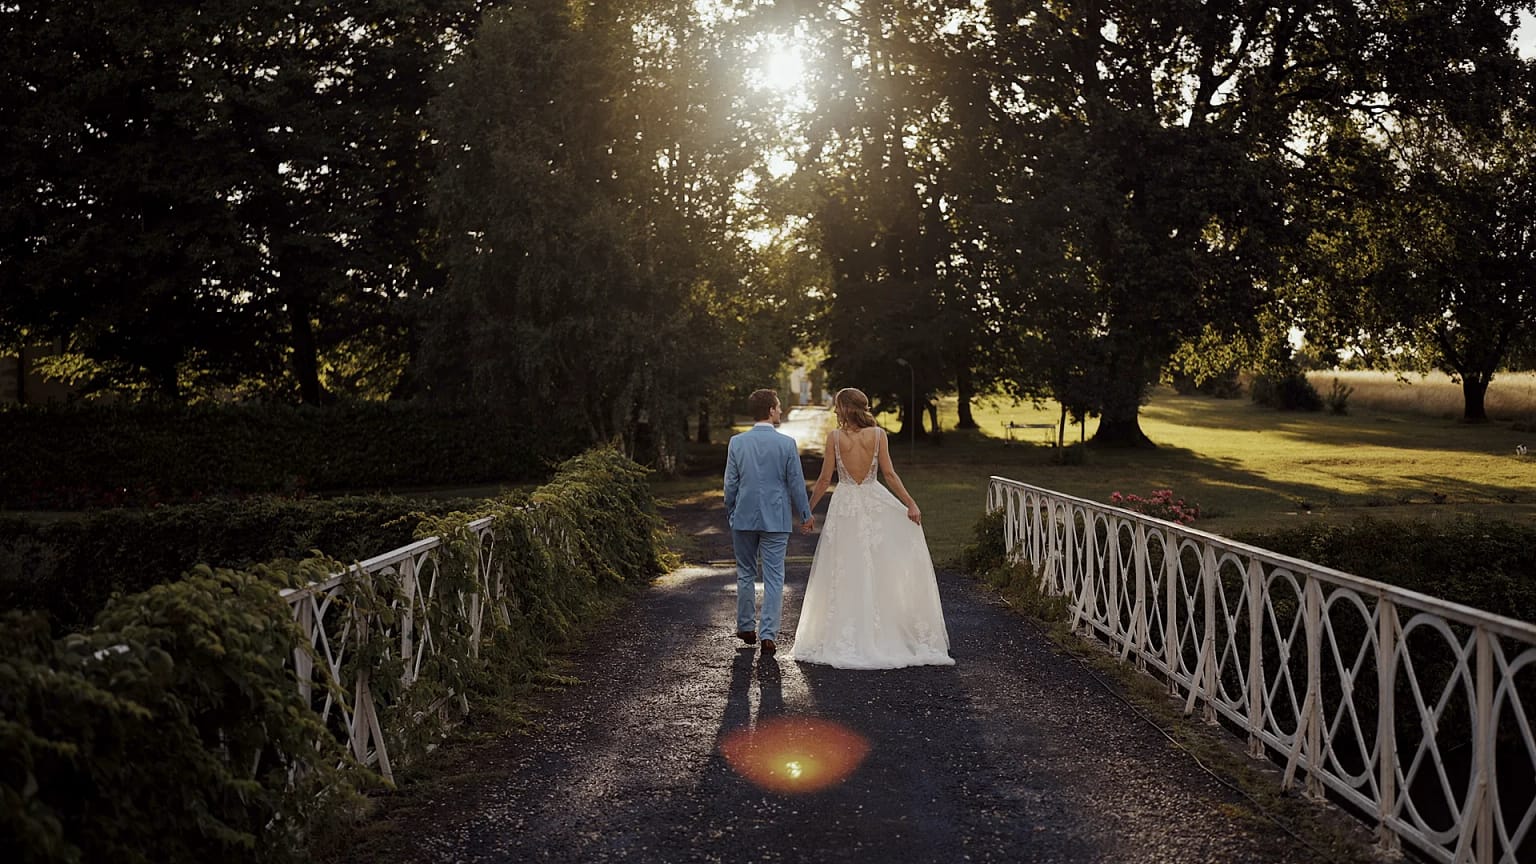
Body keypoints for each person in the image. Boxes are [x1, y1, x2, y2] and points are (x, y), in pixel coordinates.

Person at [789, 387, 953, 669]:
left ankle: (849, 631)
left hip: (845, 505)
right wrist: (910, 503)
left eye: (838, 405)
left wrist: (807, 511)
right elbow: (889, 474)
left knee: (844, 566)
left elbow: (825, 479)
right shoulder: (878, 435)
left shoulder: (835, 437)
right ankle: (877, 630)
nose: (835, 410)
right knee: (875, 565)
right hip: (872, 500)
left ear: (845, 408)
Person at [723, 389, 813, 657]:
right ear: (771, 410)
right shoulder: (786, 444)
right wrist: (805, 514)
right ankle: (768, 635)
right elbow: (796, 483)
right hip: (776, 518)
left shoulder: (737, 442)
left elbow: (730, 484)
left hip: (744, 516)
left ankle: (745, 626)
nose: (781, 410)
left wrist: (732, 511)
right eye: (779, 406)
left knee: (745, 572)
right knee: (774, 577)